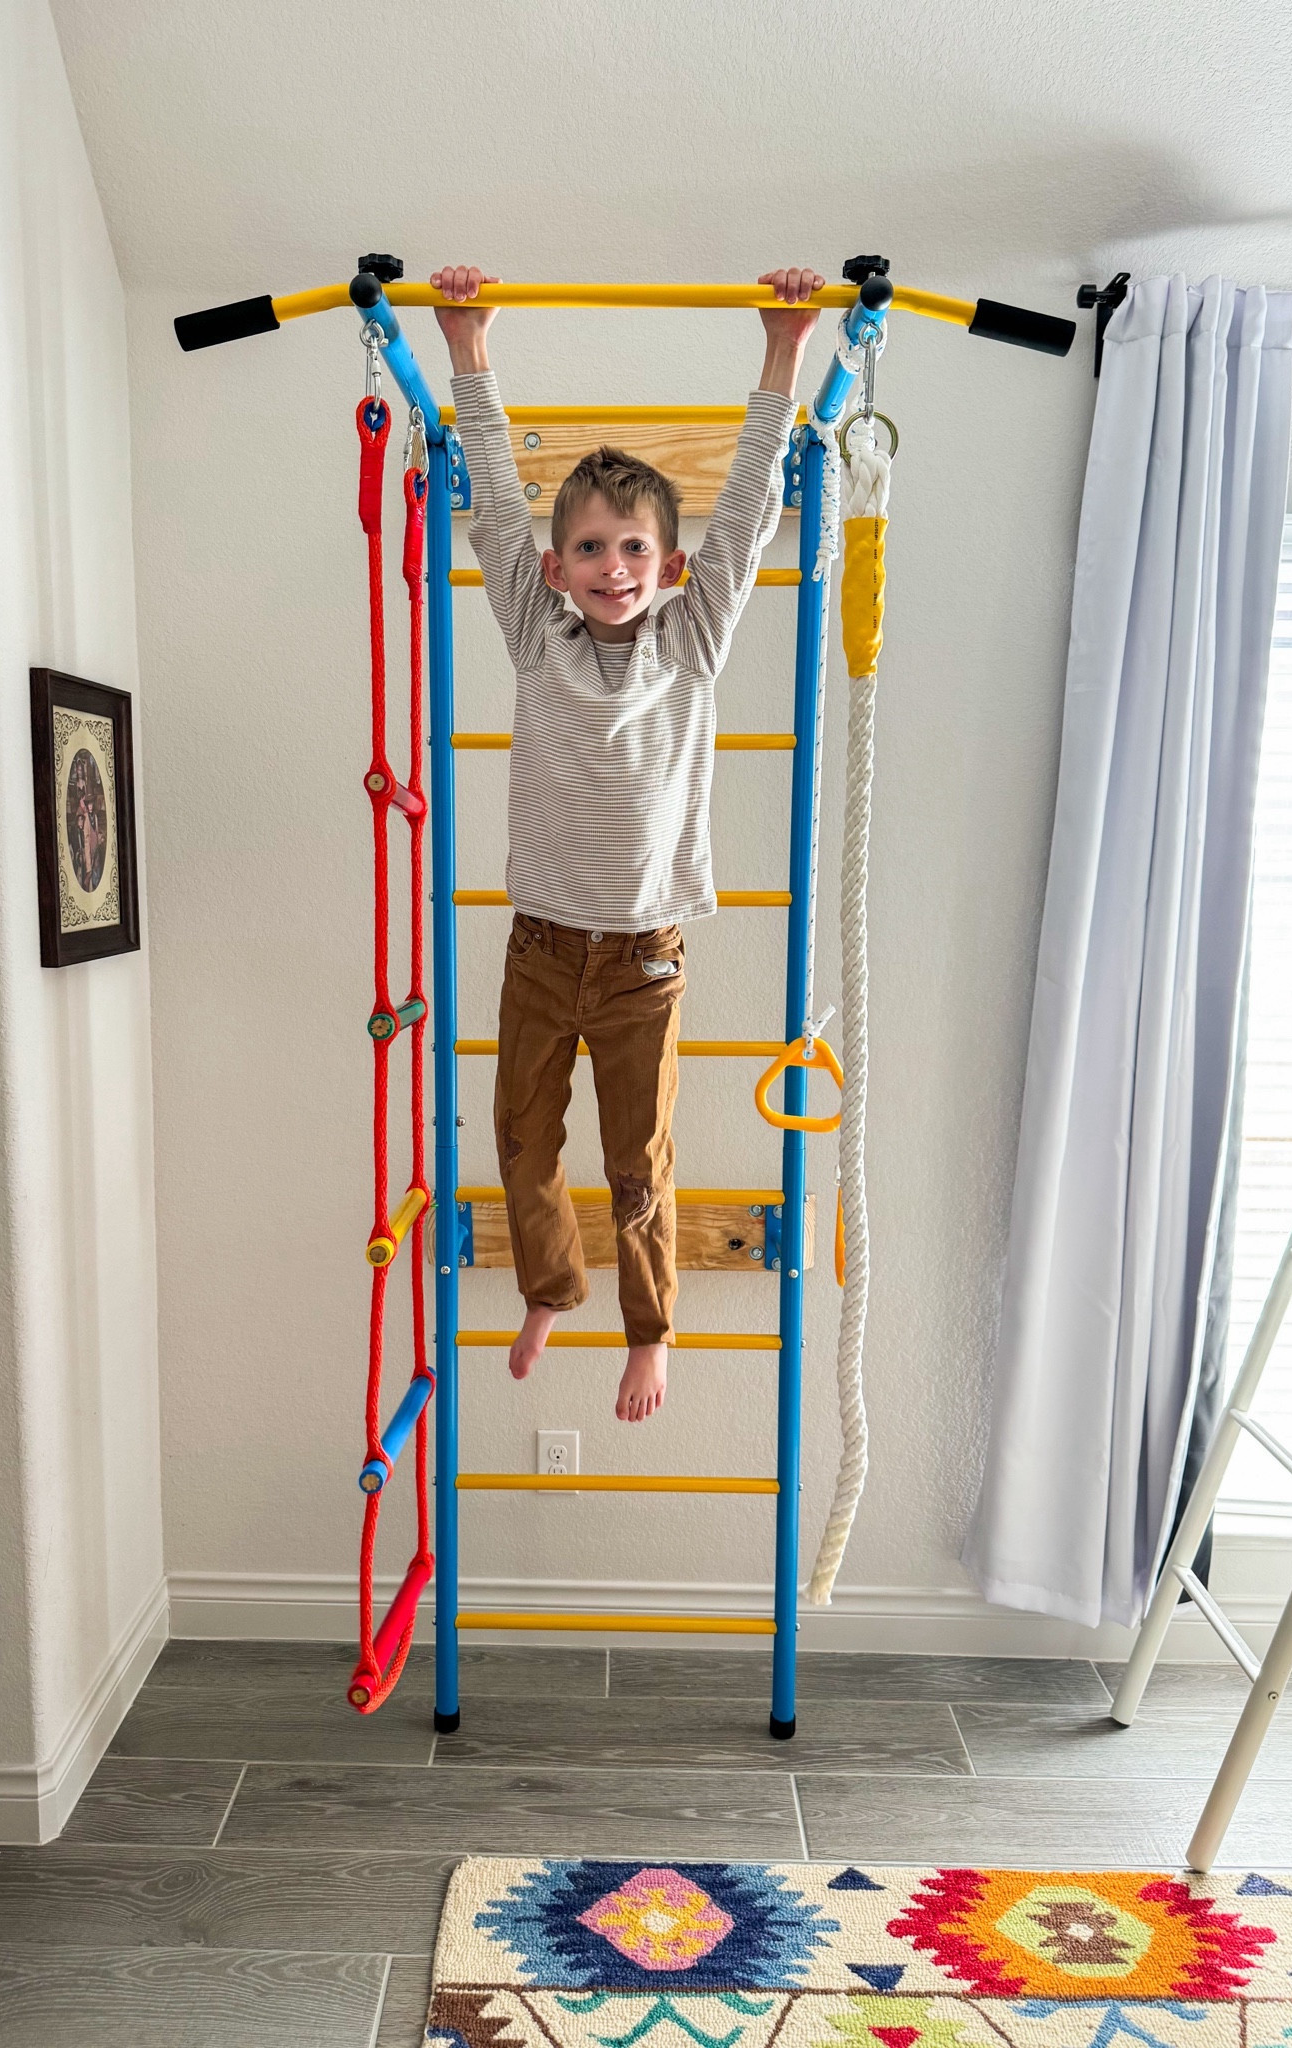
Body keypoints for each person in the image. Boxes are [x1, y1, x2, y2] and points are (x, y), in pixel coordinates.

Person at [433, 263, 824, 1421]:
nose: (613, 568)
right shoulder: (529, 627)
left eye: (635, 551)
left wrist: (781, 354)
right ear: (556, 569)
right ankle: (552, 1285)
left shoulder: (693, 642)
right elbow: (499, 498)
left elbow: (749, 508)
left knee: (640, 1165)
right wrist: (469, 349)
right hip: (542, 950)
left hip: (645, 958)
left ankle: (649, 1328)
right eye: (592, 549)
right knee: (519, 1136)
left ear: (670, 567)